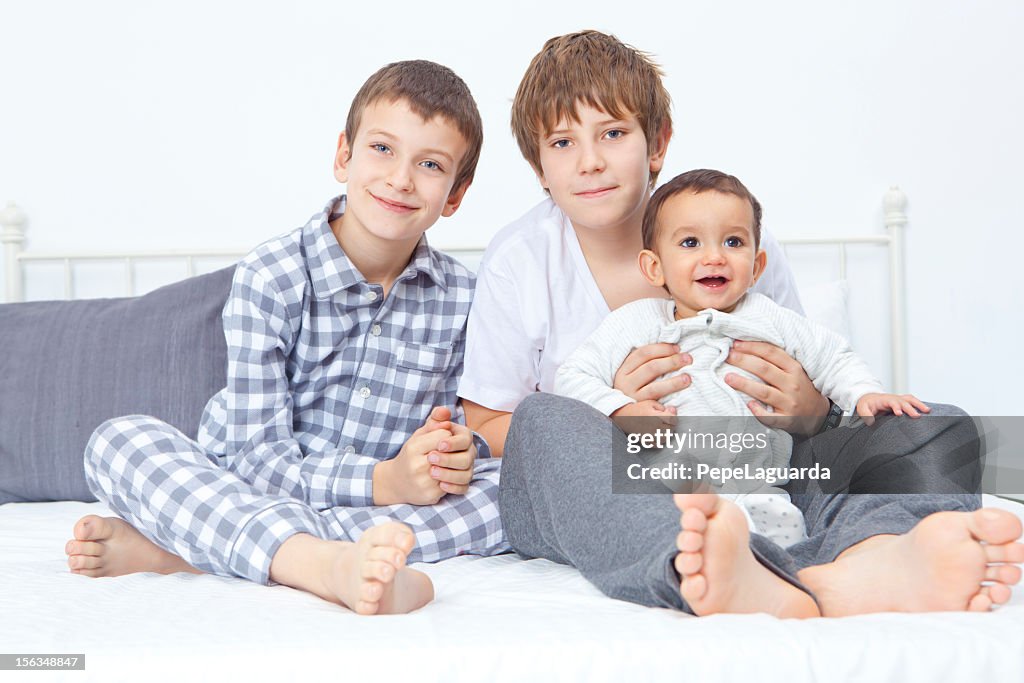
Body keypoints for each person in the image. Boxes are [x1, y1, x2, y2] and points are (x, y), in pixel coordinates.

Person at [461, 30, 1024, 617]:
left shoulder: (737, 239)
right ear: (538, 165)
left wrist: (809, 407)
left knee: (940, 426)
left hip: (763, 461)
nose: (591, 160)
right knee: (541, 420)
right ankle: (702, 561)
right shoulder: (521, 260)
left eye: (614, 133)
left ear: (657, 143)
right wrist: (611, 415)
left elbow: (812, 384)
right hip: (631, 479)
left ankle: (872, 554)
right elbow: (493, 421)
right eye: (562, 141)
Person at [64, 60, 508, 615]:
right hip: (254, 481)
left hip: (370, 504)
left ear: (456, 194)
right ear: (344, 155)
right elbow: (257, 462)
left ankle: (194, 549)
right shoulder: (272, 275)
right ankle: (321, 564)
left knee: (512, 490)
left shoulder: (466, 298)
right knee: (118, 442)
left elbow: (462, 431)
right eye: (382, 149)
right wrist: (384, 482)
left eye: (431, 164)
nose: (400, 178)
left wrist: (456, 453)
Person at [555, 168, 931, 548]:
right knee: (662, 530)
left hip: (758, 486)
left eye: (733, 242)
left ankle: (774, 574)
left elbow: (834, 357)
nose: (715, 257)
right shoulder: (635, 323)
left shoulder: (771, 318)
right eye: (690, 243)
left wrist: (865, 394)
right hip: (666, 488)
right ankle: (694, 566)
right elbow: (572, 376)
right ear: (654, 267)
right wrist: (620, 411)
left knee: (781, 539)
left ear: (757, 266)